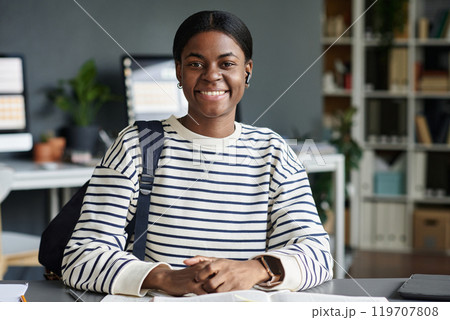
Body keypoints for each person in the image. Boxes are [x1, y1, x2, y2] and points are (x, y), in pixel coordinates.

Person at [62, 10, 333, 297]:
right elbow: (80, 256)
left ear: (247, 71)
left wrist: (255, 269)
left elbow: (319, 255)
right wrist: (164, 277)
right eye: (195, 64)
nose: (212, 75)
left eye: (227, 63)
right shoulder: (136, 146)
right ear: (179, 71)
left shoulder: (274, 153)